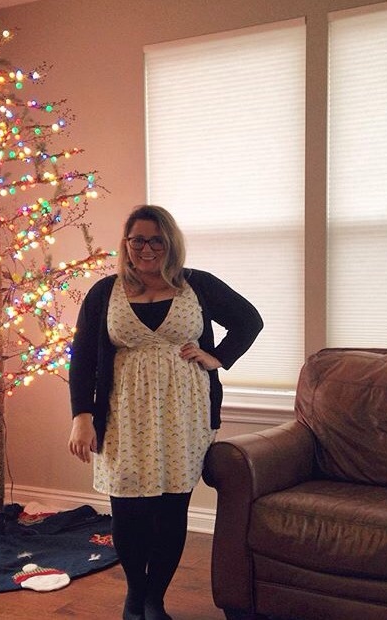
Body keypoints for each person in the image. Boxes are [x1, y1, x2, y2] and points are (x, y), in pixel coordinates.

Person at [67, 205, 263, 620]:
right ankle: (135, 594)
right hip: (123, 415)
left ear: (170, 243)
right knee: (127, 510)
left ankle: (155, 598)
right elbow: (82, 357)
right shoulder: (105, 292)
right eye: (137, 239)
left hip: (183, 413)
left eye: (156, 240)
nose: (147, 248)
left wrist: (218, 357)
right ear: (126, 243)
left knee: (171, 509)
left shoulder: (198, 285)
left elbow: (249, 321)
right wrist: (81, 416)